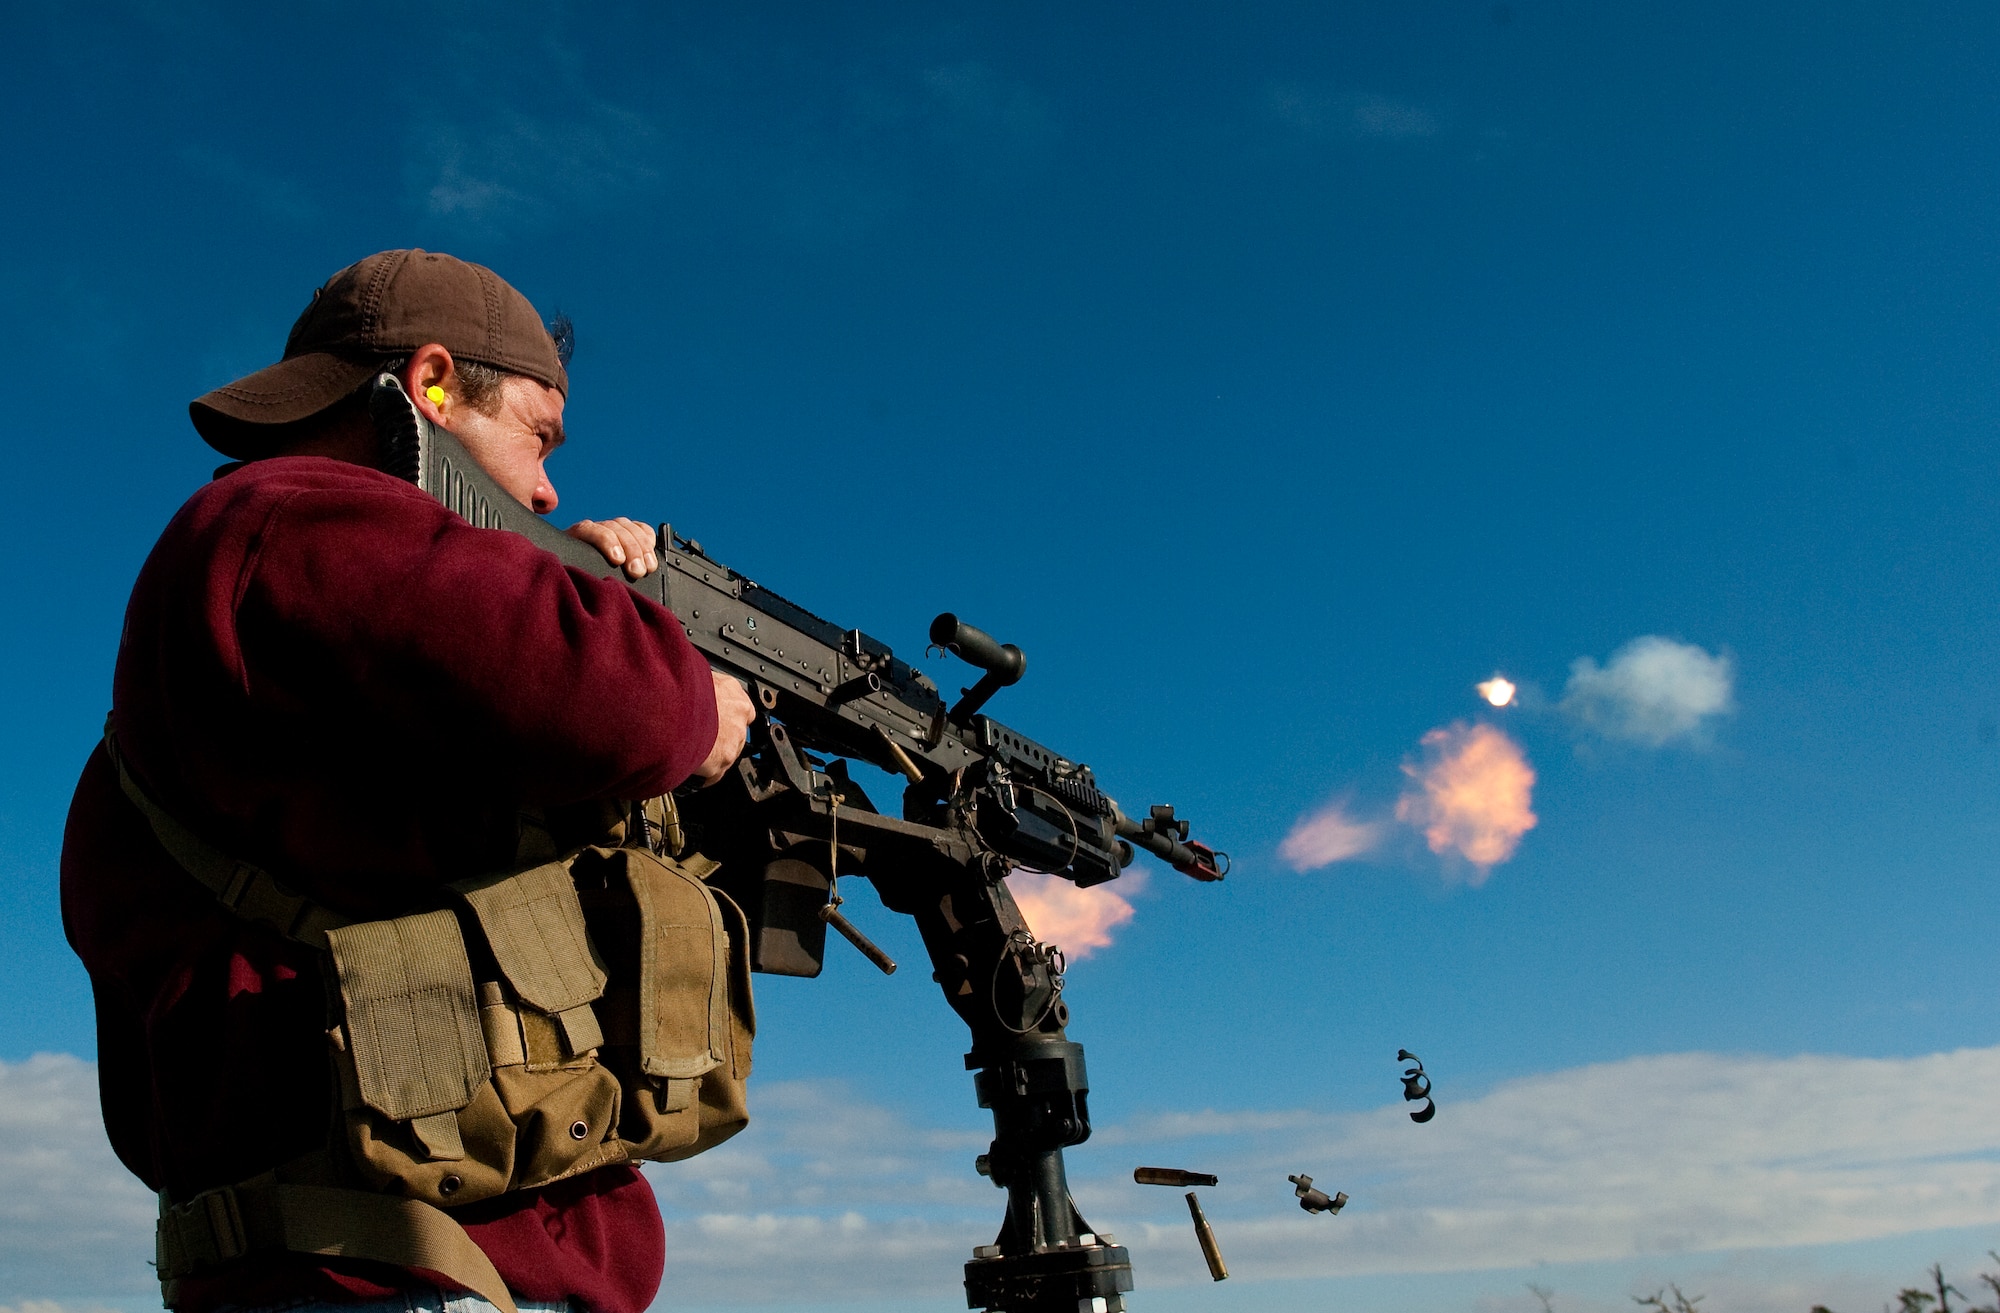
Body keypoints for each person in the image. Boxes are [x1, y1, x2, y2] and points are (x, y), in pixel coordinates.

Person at [60, 249, 757, 1313]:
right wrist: (681, 683)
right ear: (431, 385)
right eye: (537, 435)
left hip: (388, 1265)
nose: (548, 488)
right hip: (387, 1272)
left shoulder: (288, 581)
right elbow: (619, 702)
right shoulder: (291, 513)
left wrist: (561, 581)